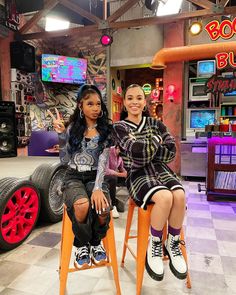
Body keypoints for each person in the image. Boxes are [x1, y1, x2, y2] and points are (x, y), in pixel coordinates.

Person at [112, 84, 187, 281]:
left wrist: (146, 151)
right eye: (130, 98)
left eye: (138, 98)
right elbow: (138, 155)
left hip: (162, 170)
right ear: (124, 102)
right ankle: (154, 245)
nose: (134, 102)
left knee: (179, 194)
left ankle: (172, 243)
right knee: (164, 197)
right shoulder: (118, 127)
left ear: (145, 102)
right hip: (137, 175)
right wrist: (155, 142)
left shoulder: (155, 123)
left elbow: (170, 152)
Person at [48, 84, 112, 270]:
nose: (95, 108)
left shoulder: (105, 130)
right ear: (80, 106)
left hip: (95, 175)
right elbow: (65, 159)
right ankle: (82, 245)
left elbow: (103, 162)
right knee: (82, 204)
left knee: (103, 207)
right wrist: (61, 135)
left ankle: (96, 242)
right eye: (90, 104)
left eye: (98, 104)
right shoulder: (72, 129)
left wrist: (98, 188)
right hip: (73, 175)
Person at [105, 145, 127, 218]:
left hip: (113, 175)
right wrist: (120, 174)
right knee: (113, 179)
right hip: (102, 175)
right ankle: (113, 205)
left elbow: (121, 167)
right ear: (117, 147)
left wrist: (125, 172)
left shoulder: (120, 155)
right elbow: (106, 170)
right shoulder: (108, 151)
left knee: (129, 176)